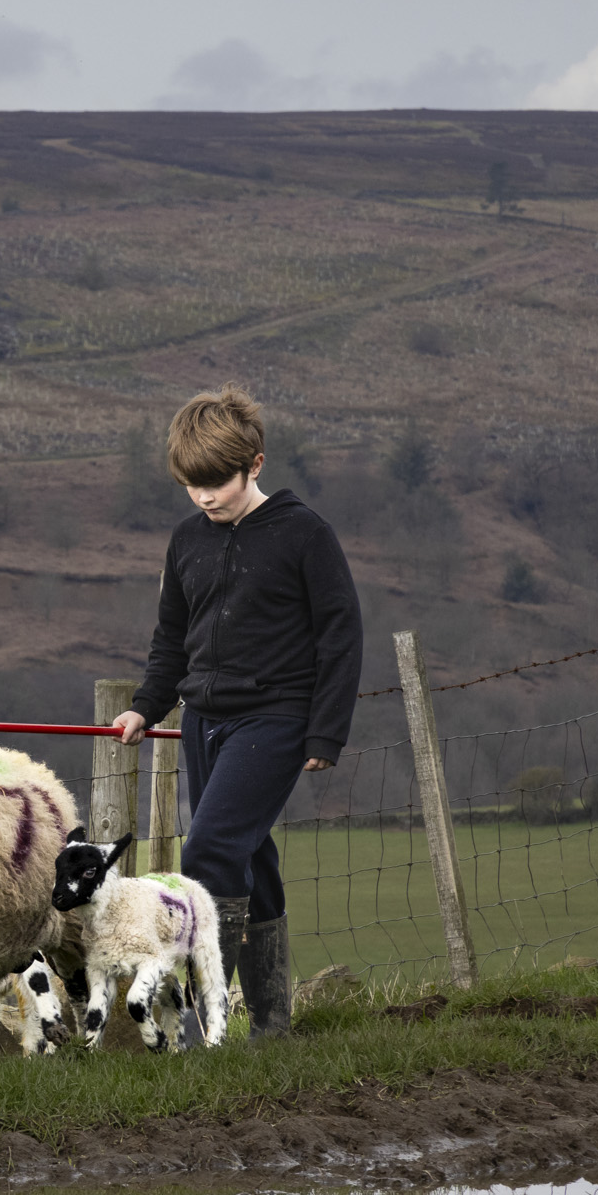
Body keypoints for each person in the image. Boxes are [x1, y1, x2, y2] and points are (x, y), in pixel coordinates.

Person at [112, 385, 360, 1038]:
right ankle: (273, 1023)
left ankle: (203, 1029)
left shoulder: (304, 533)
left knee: (209, 852)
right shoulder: (186, 540)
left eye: (217, 482)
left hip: (276, 716)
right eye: (191, 485)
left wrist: (326, 729)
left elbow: (341, 633)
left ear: (254, 462)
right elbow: (172, 638)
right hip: (202, 718)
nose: (204, 497)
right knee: (250, 856)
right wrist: (146, 706)